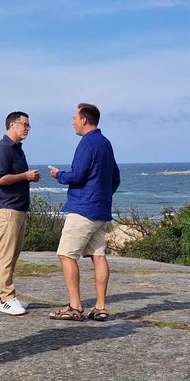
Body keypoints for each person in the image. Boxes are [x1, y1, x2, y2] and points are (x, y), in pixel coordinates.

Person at [47, 103, 120, 322]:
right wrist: (102, 195)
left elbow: (77, 176)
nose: (72, 122)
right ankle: (101, 307)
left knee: (66, 254)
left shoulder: (87, 143)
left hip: (83, 208)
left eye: (74, 118)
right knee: (98, 255)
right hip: (100, 209)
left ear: (84, 120)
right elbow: (115, 177)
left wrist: (58, 175)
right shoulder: (106, 143)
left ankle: (75, 306)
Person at [0, 111, 40, 315]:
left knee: (13, 255)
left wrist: (26, 178)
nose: (27, 128)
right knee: (6, 256)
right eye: (24, 124)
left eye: (28, 125)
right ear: (12, 125)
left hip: (18, 208)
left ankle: (3, 298)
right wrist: (25, 176)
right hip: (6, 209)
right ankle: (7, 297)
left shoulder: (18, 150)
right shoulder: (2, 149)